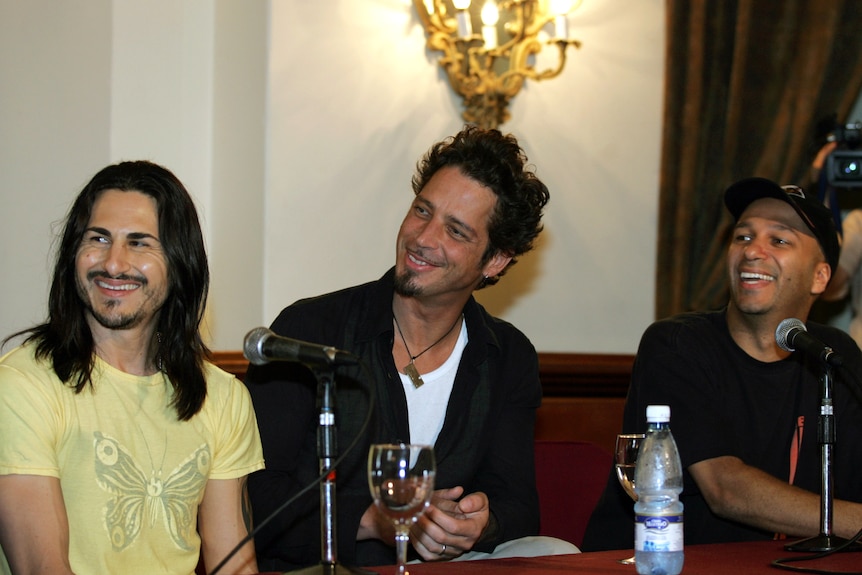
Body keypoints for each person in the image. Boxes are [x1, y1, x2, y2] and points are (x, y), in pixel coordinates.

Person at [245, 125, 577, 571]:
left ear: (495, 260)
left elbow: (517, 504)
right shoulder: (310, 330)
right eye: (423, 210)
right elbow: (254, 499)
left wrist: (479, 522)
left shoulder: (507, 355)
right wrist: (372, 520)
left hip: (444, 565)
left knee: (556, 553)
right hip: (329, 567)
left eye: (456, 231)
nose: (423, 237)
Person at [0, 161, 265, 575]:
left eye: (139, 243)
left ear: (179, 262)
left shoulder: (223, 396)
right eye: (98, 238)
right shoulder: (21, 385)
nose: (114, 263)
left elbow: (233, 566)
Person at [582, 177, 862, 550]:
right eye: (743, 237)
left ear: (820, 276)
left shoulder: (832, 354)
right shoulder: (678, 344)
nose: (751, 252)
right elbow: (724, 489)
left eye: (778, 240)